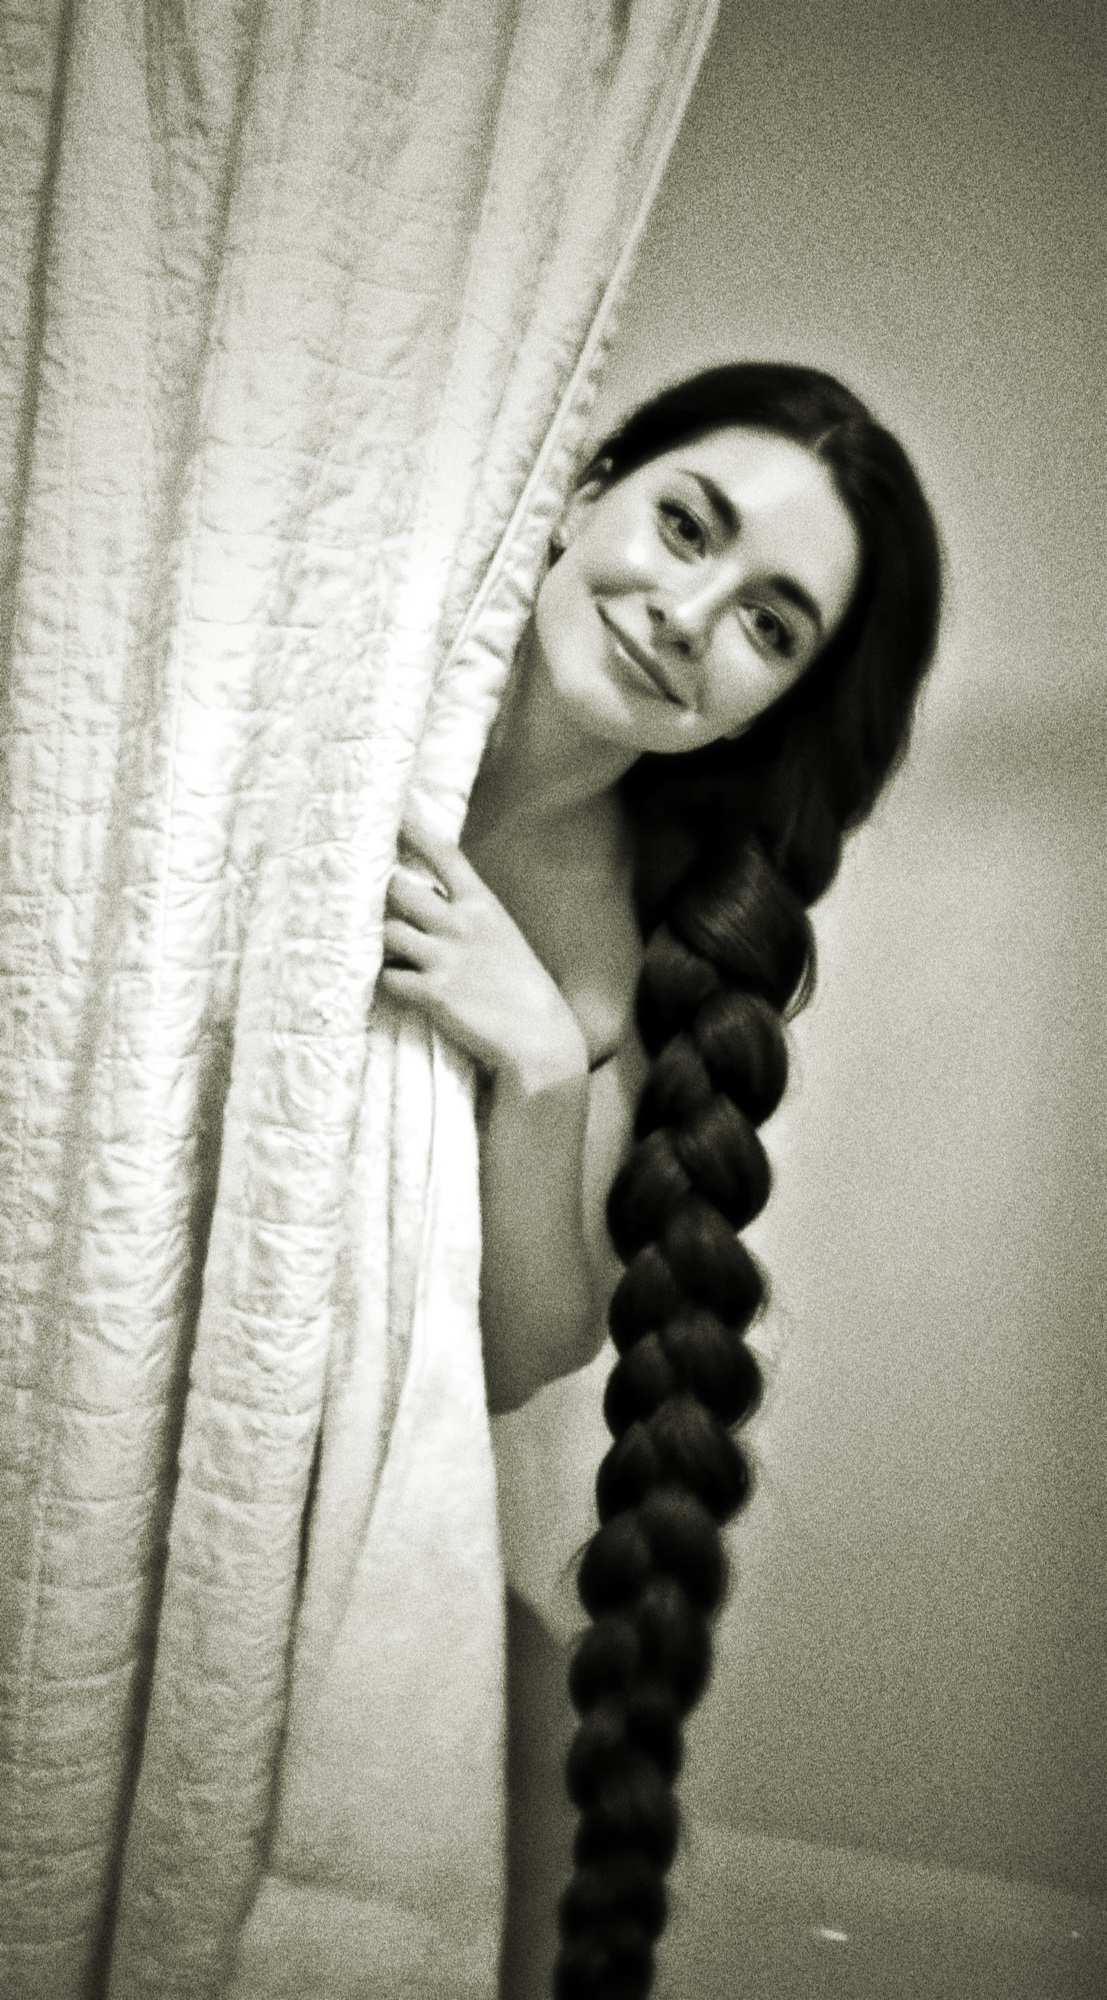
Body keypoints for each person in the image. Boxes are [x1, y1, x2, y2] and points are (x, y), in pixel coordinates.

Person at [378, 363, 943, 2000]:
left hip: (396, 1543)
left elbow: (519, 1355)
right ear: (581, 496)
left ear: (771, 706)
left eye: (771, 625)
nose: (689, 617)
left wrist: (543, 1069)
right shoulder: (357, 677)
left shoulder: (652, 954)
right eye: (686, 526)